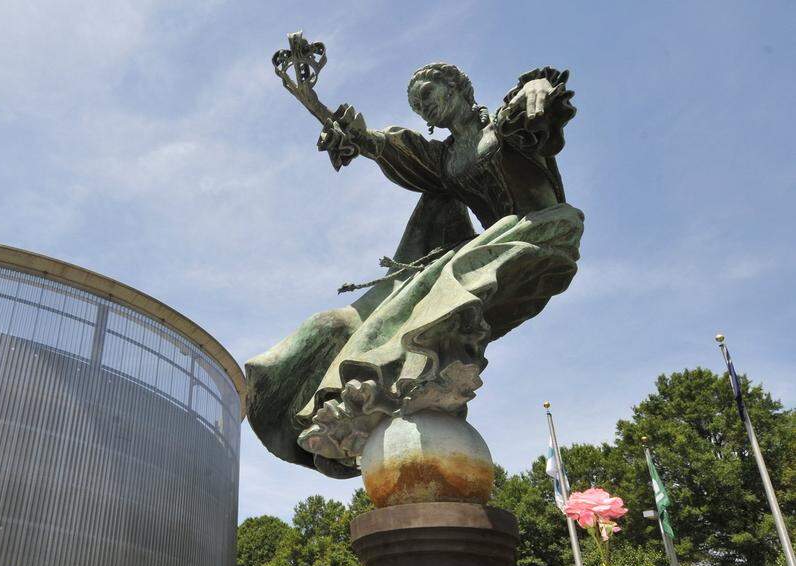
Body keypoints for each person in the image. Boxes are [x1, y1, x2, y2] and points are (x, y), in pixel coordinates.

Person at [246, 63, 584, 478]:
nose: (424, 108)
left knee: (449, 278)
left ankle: (380, 386)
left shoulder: (503, 123)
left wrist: (538, 84)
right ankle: (367, 395)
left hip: (541, 232)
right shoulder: (445, 159)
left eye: (426, 94)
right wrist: (345, 129)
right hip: (489, 248)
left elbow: (539, 99)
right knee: (401, 302)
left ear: (458, 86)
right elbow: (391, 149)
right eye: (416, 106)